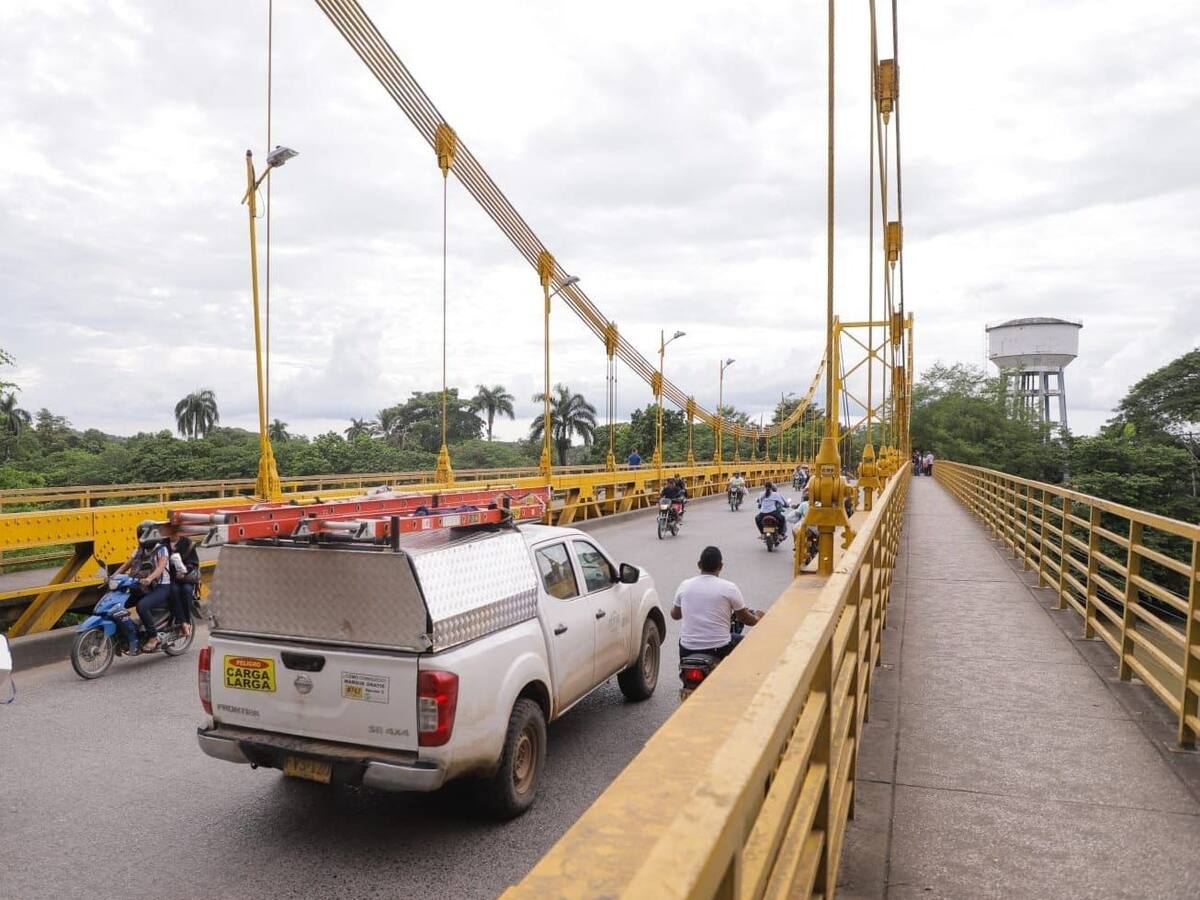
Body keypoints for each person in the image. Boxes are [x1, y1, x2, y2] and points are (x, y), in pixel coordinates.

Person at [670, 546, 764, 659]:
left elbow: (675, 615)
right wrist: (758, 617)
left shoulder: (684, 585)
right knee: (746, 645)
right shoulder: (729, 588)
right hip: (719, 649)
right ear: (721, 566)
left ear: (699, 565)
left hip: (687, 649)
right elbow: (746, 619)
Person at [113, 521, 172, 652]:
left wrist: (150, 578)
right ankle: (125, 634)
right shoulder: (139, 549)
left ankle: (153, 637)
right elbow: (125, 565)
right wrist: (112, 577)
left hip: (160, 587)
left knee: (142, 605)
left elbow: (160, 568)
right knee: (116, 604)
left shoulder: (162, 549)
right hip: (142, 585)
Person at [169, 535, 201, 638]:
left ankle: (187, 621)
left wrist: (185, 570)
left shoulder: (187, 543)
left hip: (186, 577)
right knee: (173, 591)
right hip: (172, 577)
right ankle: (182, 622)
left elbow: (194, 562)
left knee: (186, 591)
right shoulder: (163, 543)